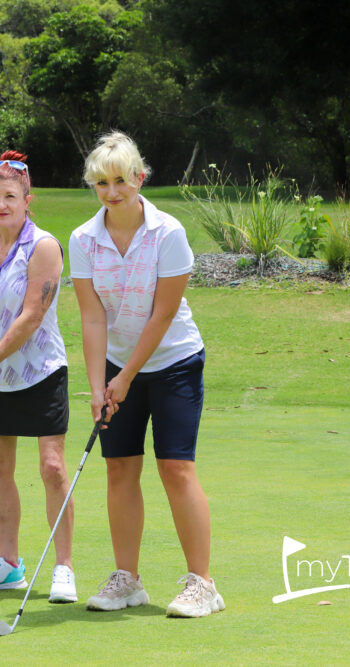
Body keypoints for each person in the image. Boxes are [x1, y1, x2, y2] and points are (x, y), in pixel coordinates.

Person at [69, 131, 224, 618]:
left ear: (139, 178)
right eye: (101, 183)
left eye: (120, 181)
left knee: (175, 467)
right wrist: (98, 386)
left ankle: (203, 583)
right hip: (116, 365)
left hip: (174, 360)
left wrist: (126, 376)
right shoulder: (82, 239)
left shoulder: (168, 233)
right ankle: (127, 580)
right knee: (120, 467)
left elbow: (162, 314)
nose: (112, 192)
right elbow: (92, 318)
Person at [0, 151, 78, 602]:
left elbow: (30, 317)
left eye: (10, 196)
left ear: (27, 199)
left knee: (52, 468)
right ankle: (8, 564)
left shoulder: (44, 246)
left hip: (40, 371)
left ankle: (64, 568)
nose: (1, 204)